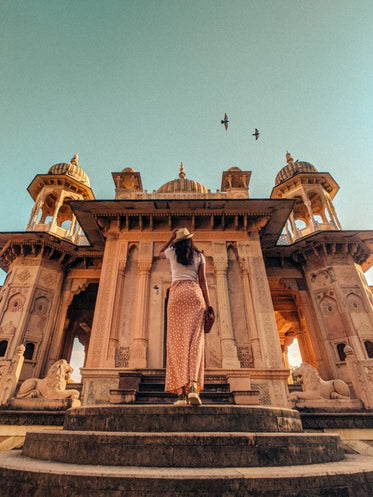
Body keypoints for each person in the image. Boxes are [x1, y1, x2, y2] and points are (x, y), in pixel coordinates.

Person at [160, 227, 214, 405]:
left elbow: (159, 253)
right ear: (190, 240)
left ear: (177, 241)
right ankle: (193, 388)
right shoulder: (199, 256)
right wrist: (208, 304)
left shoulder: (172, 252)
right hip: (194, 295)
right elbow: (203, 282)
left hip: (177, 295)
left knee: (177, 343)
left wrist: (170, 238)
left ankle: (181, 395)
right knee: (195, 343)